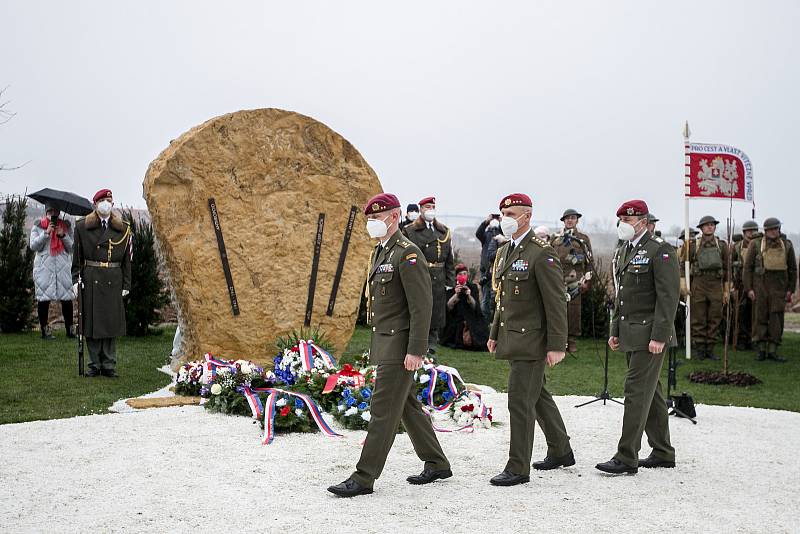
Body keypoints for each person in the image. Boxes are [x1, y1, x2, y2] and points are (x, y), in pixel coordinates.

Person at [329, 193, 451, 497]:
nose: (371, 224)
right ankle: (436, 462)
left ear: (394, 217)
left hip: (401, 345)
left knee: (383, 409)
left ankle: (364, 476)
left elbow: (421, 307)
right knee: (407, 405)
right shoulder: (381, 252)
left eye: (376, 218)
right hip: (386, 340)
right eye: (369, 219)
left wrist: (416, 350)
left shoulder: (407, 254)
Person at [487, 193, 573, 487]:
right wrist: (495, 333)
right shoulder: (505, 252)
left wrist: (556, 345)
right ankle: (561, 450)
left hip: (533, 341)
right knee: (537, 396)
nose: (505, 219)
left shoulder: (541, 253)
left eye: (511, 213)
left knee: (520, 401)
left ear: (527, 216)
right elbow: (503, 300)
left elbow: (555, 303)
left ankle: (517, 467)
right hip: (513, 338)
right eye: (502, 214)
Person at [596, 200, 679, 475]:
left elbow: (668, 299)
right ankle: (663, 451)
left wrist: (660, 336)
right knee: (651, 392)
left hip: (650, 335)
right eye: (620, 220)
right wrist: (614, 331)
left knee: (635, 391)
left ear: (643, 222)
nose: (623, 225)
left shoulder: (660, 251)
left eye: (628, 220)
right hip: (630, 333)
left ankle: (626, 456)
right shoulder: (624, 251)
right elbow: (622, 296)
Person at [71, 189, 132, 377]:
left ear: (113, 205)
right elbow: (76, 258)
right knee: (91, 323)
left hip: (114, 279)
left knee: (110, 323)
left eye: (109, 200)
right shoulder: (82, 227)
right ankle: (94, 364)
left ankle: (109, 364)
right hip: (91, 278)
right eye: (103, 200)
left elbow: (127, 261)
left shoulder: (123, 228)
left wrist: (127, 284)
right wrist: (75, 279)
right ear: (95, 204)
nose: (106, 203)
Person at [402, 196, 455, 353]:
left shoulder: (443, 231)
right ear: (421, 210)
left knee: (435, 317)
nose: (430, 210)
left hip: (438, 280)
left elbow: (449, 260)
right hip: (420, 277)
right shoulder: (410, 230)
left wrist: (449, 281)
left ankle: (431, 352)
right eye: (427, 207)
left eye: (432, 206)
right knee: (418, 315)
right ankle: (414, 349)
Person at [743, 217, 797, 362]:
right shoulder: (756, 244)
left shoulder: (787, 245)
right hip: (760, 286)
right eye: (771, 229)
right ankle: (760, 350)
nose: (774, 231)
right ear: (765, 230)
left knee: (776, 319)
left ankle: (773, 350)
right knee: (759, 318)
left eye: (776, 228)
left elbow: (792, 269)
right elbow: (747, 268)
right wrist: (749, 289)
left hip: (779, 288)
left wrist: (790, 289)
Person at [679, 215, 728, 360]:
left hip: (716, 284)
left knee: (715, 317)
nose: (710, 227)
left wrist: (726, 289)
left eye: (712, 225)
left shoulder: (722, 245)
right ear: (701, 228)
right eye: (707, 225)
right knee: (698, 317)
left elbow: (727, 268)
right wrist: (683, 283)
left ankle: (710, 349)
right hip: (699, 284)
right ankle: (700, 348)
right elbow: (683, 265)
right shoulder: (693, 245)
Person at [29, 204, 76, 340]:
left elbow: (72, 247)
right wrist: (46, 233)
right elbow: (33, 245)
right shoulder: (39, 225)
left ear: (59, 212)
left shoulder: (66, 226)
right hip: (44, 268)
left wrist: (62, 235)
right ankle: (44, 330)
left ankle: (70, 329)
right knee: (44, 299)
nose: (53, 214)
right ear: (46, 212)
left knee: (67, 298)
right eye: (50, 211)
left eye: (55, 211)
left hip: (63, 267)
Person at [550, 208, 593, 353]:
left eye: (573, 218)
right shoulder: (555, 238)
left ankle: (572, 341)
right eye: (567, 218)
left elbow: (589, 261)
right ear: (563, 221)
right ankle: (559, 340)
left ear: (577, 220)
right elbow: (547, 259)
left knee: (573, 311)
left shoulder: (583, 239)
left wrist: (587, 280)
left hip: (576, 280)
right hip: (556, 279)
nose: (570, 220)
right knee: (557, 311)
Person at [441, 263, 489, 351]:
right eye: (460, 274)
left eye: (464, 274)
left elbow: (476, 307)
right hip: (456, 318)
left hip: (470, 317)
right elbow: (448, 307)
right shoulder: (451, 287)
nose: (462, 276)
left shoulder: (472, 287)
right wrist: (456, 295)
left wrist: (469, 296)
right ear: (456, 276)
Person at [731, 220, 759, 350]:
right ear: (744, 233)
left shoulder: (760, 245)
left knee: (755, 314)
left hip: (756, 284)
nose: (751, 233)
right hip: (741, 284)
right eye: (749, 231)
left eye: (753, 230)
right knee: (741, 313)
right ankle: (741, 339)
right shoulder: (737, 246)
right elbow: (730, 264)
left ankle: (753, 339)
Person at [475, 213, 506, 320]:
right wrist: (486, 221)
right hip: (486, 269)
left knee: (495, 296)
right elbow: (478, 233)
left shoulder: (501, 235)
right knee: (485, 297)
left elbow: (506, 233)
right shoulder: (486, 235)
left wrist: (502, 221)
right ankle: (486, 320)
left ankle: (494, 319)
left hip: (497, 269)